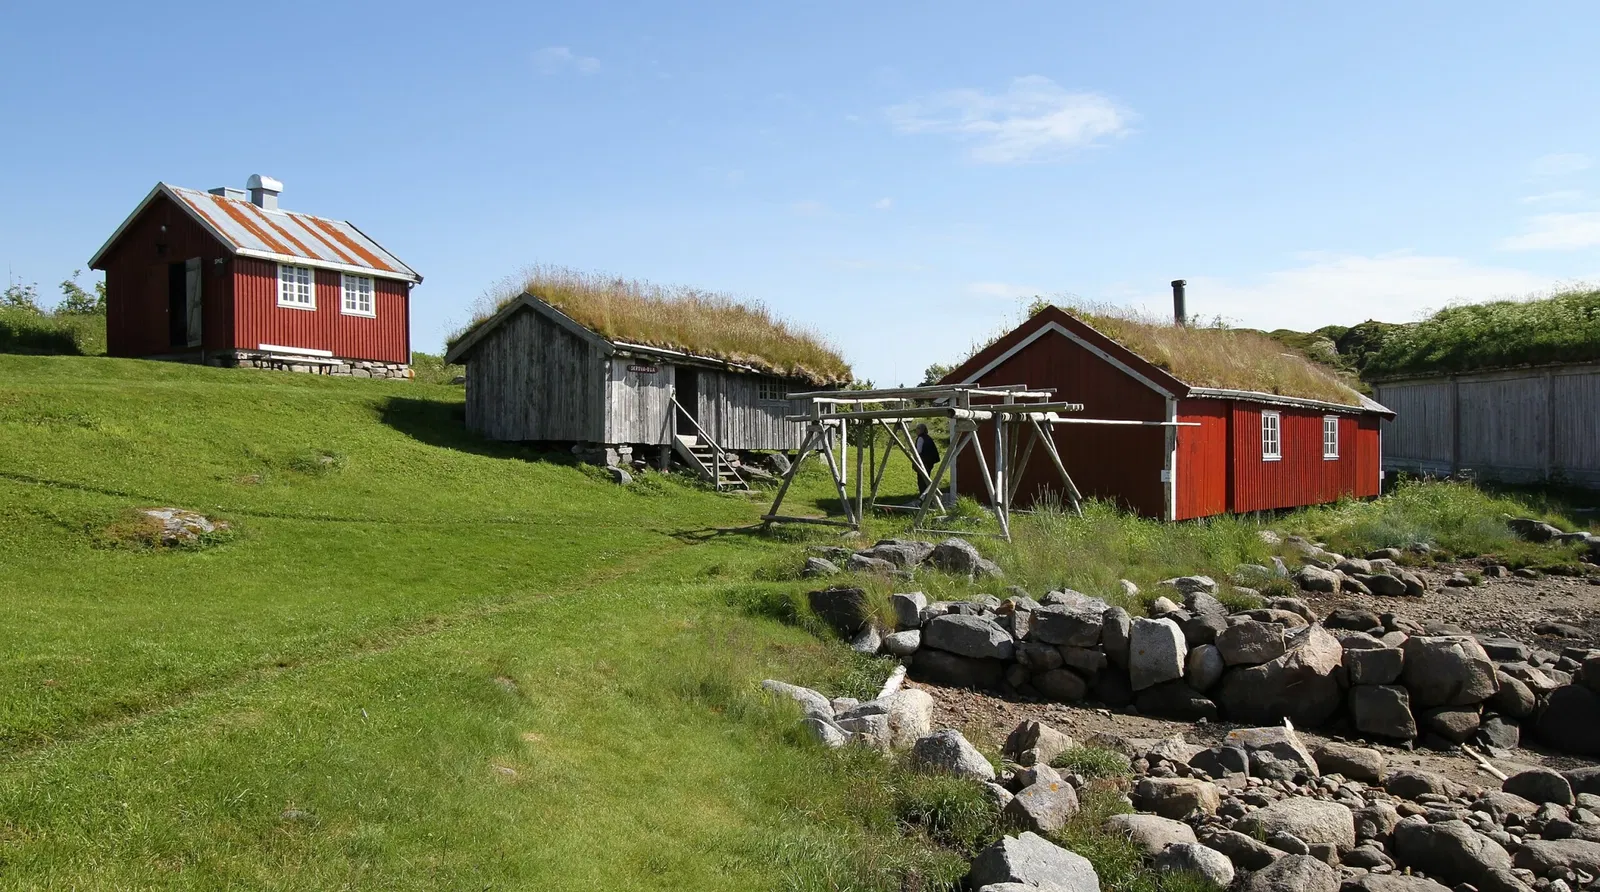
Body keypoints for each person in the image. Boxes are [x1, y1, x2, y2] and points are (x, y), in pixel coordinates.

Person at [913, 423, 940, 495]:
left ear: (920, 430)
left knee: (922, 480)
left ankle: (924, 496)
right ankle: (927, 495)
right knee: (926, 478)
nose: (916, 430)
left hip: (923, 462)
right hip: (929, 462)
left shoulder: (921, 438)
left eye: (917, 429)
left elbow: (918, 451)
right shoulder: (928, 438)